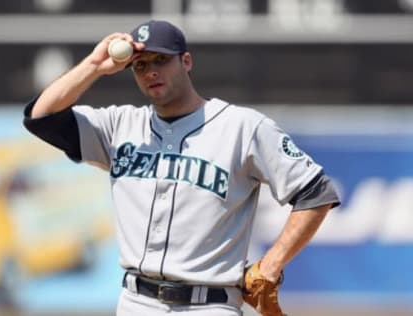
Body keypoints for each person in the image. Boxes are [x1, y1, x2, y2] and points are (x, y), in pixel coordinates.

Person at [23, 20, 340, 316]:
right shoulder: (118, 126)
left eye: (161, 60)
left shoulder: (242, 127)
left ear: (185, 62)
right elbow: (41, 117)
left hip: (210, 305)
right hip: (135, 303)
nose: (151, 72)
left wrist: (271, 265)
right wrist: (93, 66)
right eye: (140, 65)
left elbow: (315, 193)